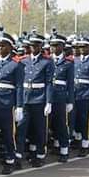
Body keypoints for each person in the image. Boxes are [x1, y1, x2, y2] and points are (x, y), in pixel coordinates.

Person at [15, 30, 51, 169]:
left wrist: (48, 101)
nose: (34, 47)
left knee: (39, 129)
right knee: (21, 128)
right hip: (25, 98)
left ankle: (40, 154)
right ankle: (18, 155)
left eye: (37, 45)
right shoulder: (23, 61)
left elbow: (49, 83)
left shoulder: (47, 62)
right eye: (32, 45)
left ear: (41, 46)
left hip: (39, 98)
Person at [48, 30, 75, 162]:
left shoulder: (68, 64)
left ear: (62, 47)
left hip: (60, 97)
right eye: (52, 45)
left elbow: (70, 84)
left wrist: (70, 101)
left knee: (61, 124)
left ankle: (64, 149)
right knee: (49, 123)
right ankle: (52, 145)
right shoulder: (47, 61)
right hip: (48, 97)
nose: (53, 48)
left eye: (56, 45)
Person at [72, 35, 89, 156]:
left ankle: (85, 143)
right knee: (76, 119)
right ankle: (78, 140)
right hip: (75, 93)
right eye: (80, 47)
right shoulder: (75, 60)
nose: (82, 49)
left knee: (85, 120)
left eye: (84, 47)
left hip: (86, 94)